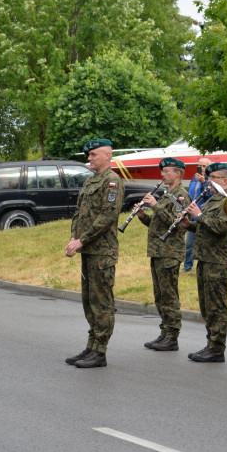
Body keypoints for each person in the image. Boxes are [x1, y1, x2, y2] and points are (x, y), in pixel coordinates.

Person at [64, 139, 125, 369]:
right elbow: (79, 213)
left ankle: (100, 351)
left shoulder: (112, 182)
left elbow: (107, 217)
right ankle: (91, 346)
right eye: (88, 155)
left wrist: (82, 239)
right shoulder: (90, 181)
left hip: (102, 252)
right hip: (87, 251)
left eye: (93, 154)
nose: (89, 158)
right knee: (88, 301)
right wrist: (73, 236)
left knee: (102, 303)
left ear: (107, 155)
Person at [137, 157, 191, 352]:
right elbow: (158, 223)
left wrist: (155, 205)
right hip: (158, 251)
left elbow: (176, 224)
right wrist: (144, 217)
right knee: (160, 295)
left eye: (167, 171)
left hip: (170, 253)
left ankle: (172, 335)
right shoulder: (168, 194)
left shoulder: (182, 196)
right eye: (163, 171)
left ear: (178, 173)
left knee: (169, 295)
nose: (162, 175)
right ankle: (165, 332)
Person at [184, 162, 227, 363]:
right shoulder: (211, 201)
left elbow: (221, 227)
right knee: (206, 306)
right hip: (205, 259)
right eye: (209, 177)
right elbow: (205, 227)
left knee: (217, 307)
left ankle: (217, 348)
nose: (209, 182)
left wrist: (200, 216)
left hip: (217, 261)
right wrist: (190, 224)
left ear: (225, 181)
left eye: (213, 178)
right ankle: (211, 343)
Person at [183, 157, 211, 272]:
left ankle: (204, 266)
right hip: (192, 215)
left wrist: (203, 182)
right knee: (189, 243)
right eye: (200, 166)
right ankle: (187, 266)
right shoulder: (193, 179)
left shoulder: (210, 180)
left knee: (204, 243)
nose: (202, 168)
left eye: (204, 166)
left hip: (203, 216)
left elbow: (210, 196)